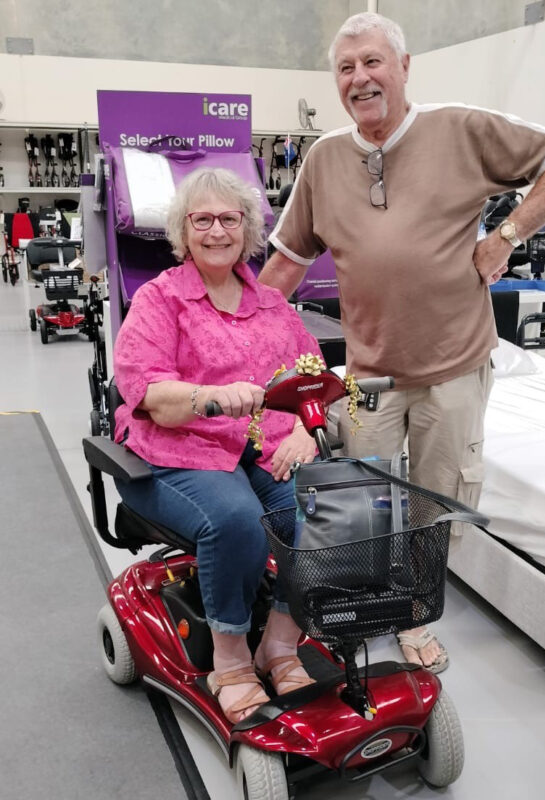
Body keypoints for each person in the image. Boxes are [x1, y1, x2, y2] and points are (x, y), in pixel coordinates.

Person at [258, 12, 545, 673]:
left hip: (455, 369)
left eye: (373, 62)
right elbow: (285, 264)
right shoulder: (325, 159)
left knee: (435, 499)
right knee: (362, 495)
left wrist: (507, 236)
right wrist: (226, 327)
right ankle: (362, 599)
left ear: (404, 67)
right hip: (365, 374)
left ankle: (412, 613)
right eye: (346, 68)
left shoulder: (461, 130)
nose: (360, 78)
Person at [112, 167, 321, 723]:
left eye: (229, 219)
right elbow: (149, 393)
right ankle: (229, 661)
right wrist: (211, 396)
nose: (216, 231)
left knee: (319, 512)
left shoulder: (273, 304)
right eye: (201, 219)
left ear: (248, 228)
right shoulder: (159, 300)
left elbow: (313, 378)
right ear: (183, 230)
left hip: (262, 447)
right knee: (237, 519)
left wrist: (303, 429)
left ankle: (278, 642)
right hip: (176, 452)